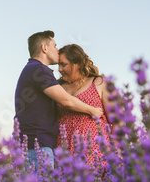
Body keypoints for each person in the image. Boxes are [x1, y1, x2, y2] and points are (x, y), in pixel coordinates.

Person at [14, 31, 103, 171]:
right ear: (44, 48)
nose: (57, 50)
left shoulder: (33, 69)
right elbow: (66, 100)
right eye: (54, 46)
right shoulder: (38, 69)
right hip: (37, 144)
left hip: (34, 145)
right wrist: (92, 110)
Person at [56, 44, 112, 166]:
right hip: (64, 154)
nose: (59, 69)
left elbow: (118, 121)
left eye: (63, 64)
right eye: (58, 65)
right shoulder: (57, 88)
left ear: (79, 64)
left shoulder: (99, 83)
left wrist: (117, 153)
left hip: (96, 155)